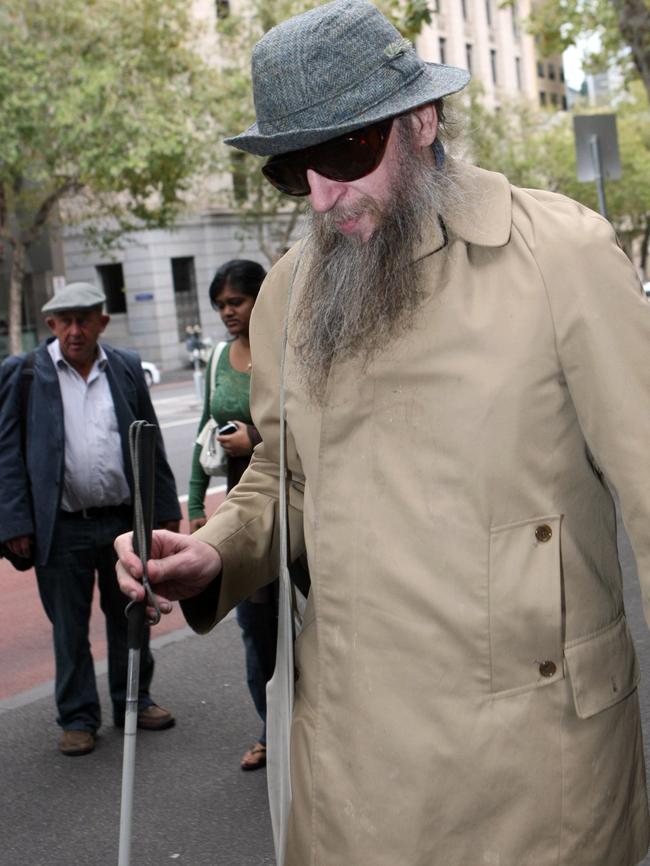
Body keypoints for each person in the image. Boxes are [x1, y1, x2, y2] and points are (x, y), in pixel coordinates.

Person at [115, 1, 650, 863]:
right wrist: (216, 551)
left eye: (345, 152)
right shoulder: (290, 290)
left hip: (538, 770)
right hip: (352, 774)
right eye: (295, 170)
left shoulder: (563, 256)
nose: (324, 197)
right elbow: (282, 476)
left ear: (423, 119)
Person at [0, 281, 181, 757]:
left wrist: (164, 515)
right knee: (67, 626)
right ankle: (78, 717)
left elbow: (150, 442)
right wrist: (15, 521)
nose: (75, 331)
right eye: (66, 321)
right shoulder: (23, 373)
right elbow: (7, 455)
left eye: (85, 319)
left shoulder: (123, 367)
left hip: (124, 519)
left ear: (102, 321)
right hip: (60, 526)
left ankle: (135, 701)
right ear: (51, 325)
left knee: (130, 617)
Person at [188, 259, 277, 771]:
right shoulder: (220, 355)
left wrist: (256, 439)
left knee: (307, 618)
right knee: (255, 624)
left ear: (260, 299)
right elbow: (204, 428)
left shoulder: (284, 349)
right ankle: (269, 728)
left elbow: (310, 425)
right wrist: (197, 505)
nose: (227, 313)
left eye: (235, 303)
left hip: (293, 500)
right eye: (220, 305)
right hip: (240, 503)